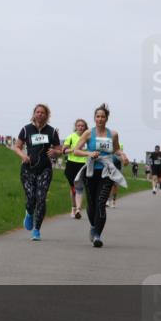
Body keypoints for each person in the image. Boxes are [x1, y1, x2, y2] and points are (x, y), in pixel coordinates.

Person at [73, 104, 129, 247]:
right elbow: (76, 151)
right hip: (91, 172)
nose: (100, 119)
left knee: (101, 203)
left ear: (107, 118)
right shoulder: (88, 133)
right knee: (91, 204)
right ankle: (93, 226)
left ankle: (97, 235)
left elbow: (116, 150)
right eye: (97, 116)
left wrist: (123, 156)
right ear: (94, 118)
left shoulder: (113, 134)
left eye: (103, 116)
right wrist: (89, 153)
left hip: (106, 172)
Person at [14, 105, 62, 240]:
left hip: (45, 169)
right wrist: (23, 155)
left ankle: (37, 230)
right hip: (28, 168)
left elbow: (59, 150)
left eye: (42, 112)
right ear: (34, 114)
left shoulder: (52, 132)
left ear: (47, 115)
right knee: (31, 198)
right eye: (37, 112)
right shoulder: (26, 129)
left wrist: (55, 152)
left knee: (41, 198)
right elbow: (17, 146)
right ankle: (29, 213)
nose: (40, 114)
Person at [61, 118, 89, 219]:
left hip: (83, 164)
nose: (81, 127)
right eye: (79, 126)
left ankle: (78, 210)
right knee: (73, 189)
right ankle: (73, 207)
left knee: (79, 187)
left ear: (85, 127)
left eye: (82, 126)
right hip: (71, 164)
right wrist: (75, 149)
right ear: (75, 127)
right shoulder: (71, 137)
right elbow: (63, 151)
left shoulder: (88, 137)